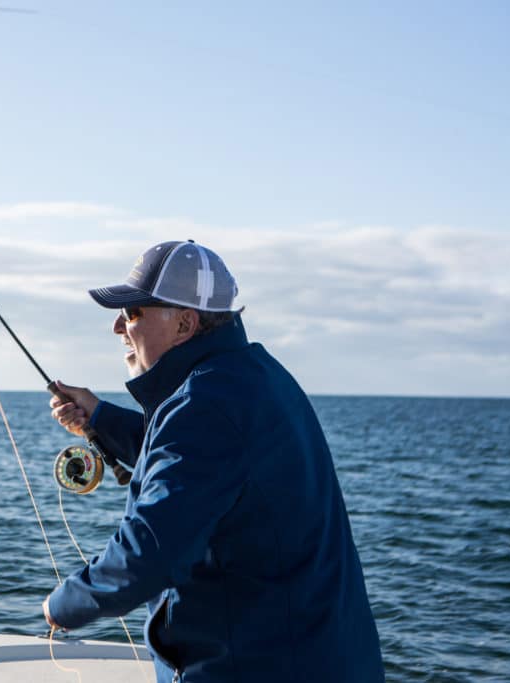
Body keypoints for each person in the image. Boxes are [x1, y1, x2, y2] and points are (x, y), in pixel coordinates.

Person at [41, 240, 384, 682]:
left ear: (184, 323)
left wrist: (62, 603)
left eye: (132, 314)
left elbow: (147, 557)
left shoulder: (204, 406)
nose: (118, 328)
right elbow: (199, 465)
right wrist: (101, 418)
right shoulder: (253, 376)